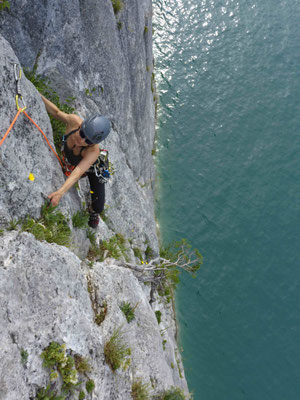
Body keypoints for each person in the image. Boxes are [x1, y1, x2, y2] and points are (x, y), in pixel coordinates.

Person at [41, 95, 111, 228]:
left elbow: (77, 173)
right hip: (73, 159)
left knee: (99, 205)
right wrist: (37, 95)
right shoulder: (74, 122)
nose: (82, 141)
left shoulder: (92, 151)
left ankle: (94, 212)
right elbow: (56, 112)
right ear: (81, 126)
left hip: (92, 166)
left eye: (88, 141)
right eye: (82, 134)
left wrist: (60, 193)